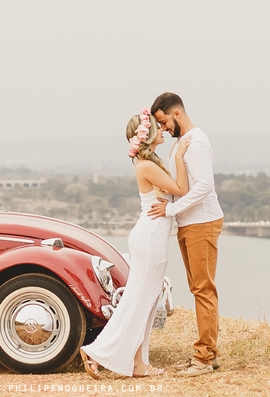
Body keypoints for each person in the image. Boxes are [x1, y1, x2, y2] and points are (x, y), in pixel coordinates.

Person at [80, 107, 191, 379]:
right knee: (141, 301)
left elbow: (172, 193)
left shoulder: (148, 163)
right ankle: (103, 353)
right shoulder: (147, 165)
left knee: (145, 300)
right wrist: (179, 156)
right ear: (148, 134)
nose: (163, 129)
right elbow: (182, 189)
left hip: (152, 235)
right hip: (151, 237)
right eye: (157, 126)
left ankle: (133, 361)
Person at [146, 92, 224, 376]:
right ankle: (207, 354)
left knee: (203, 289)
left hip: (202, 222)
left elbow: (204, 186)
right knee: (198, 288)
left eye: (165, 122)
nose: (164, 128)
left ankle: (204, 357)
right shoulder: (181, 143)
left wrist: (171, 209)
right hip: (189, 223)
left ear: (176, 113)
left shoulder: (196, 141)